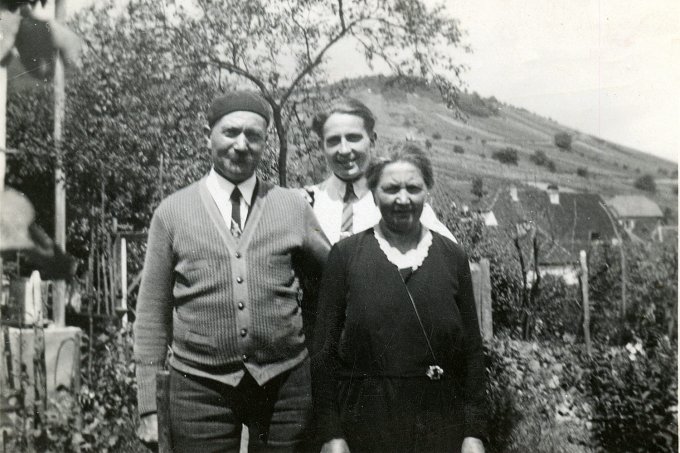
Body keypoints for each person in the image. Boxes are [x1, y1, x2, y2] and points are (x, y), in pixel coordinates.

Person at [134, 90, 330, 452]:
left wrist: (312, 350)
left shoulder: (291, 207)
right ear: (208, 135)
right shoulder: (172, 212)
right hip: (199, 387)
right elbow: (150, 313)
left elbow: (331, 280)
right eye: (231, 132)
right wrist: (148, 405)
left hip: (284, 384)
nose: (241, 145)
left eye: (253, 136)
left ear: (264, 142)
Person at [311, 143, 487, 453]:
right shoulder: (346, 256)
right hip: (366, 426)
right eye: (391, 189)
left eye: (413, 188)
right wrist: (332, 435)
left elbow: (472, 352)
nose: (403, 199)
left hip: (441, 425)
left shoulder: (452, 257)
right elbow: (324, 355)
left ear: (427, 192)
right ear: (374, 194)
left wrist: (474, 433)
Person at [307, 97, 455, 245]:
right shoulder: (308, 203)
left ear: (372, 140)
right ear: (321, 146)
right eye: (333, 140)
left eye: (353, 138)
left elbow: (452, 256)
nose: (344, 150)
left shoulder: (400, 200)